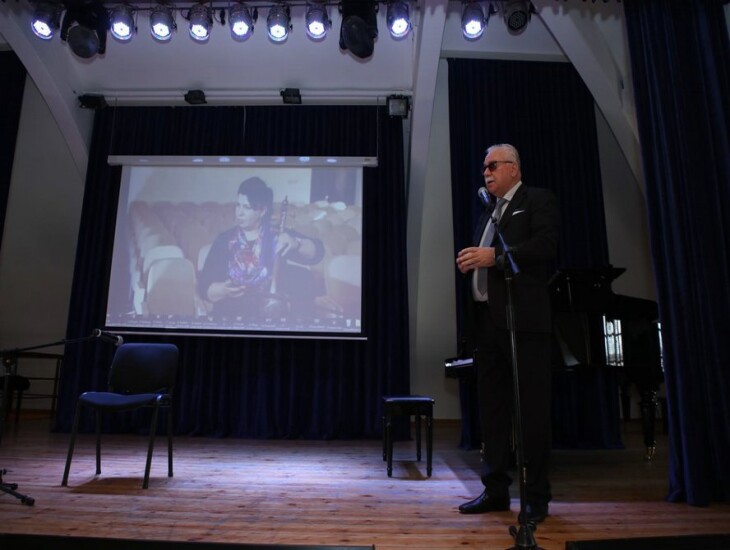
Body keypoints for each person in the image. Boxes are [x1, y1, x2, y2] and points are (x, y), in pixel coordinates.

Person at [455, 144, 560, 524]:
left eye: (492, 165)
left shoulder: (537, 200)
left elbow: (545, 246)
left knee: (531, 412)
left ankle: (536, 498)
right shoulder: (489, 211)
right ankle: (496, 490)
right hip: (487, 324)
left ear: (514, 168)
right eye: (484, 167)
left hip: (523, 323)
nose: (486, 172)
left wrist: (495, 258)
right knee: (493, 411)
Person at [197, 177, 325, 319]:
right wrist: (223, 290)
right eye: (238, 205)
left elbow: (317, 254)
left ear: (262, 211)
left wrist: (297, 243)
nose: (239, 212)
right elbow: (204, 288)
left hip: (270, 317)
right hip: (231, 315)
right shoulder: (224, 240)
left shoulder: (276, 235)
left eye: (247, 207)